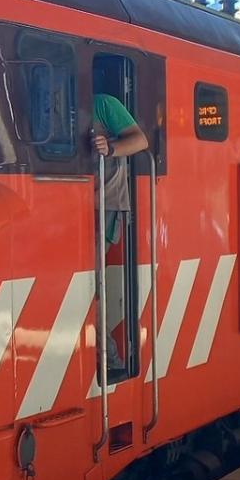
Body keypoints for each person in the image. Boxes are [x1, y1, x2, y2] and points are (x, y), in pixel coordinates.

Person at [90, 92, 149, 377]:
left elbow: (140, 140)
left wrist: (109, 147)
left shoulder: (103, 103)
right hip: (72, 202)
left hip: (104, 202)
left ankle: (109, 359)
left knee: (91, 284)